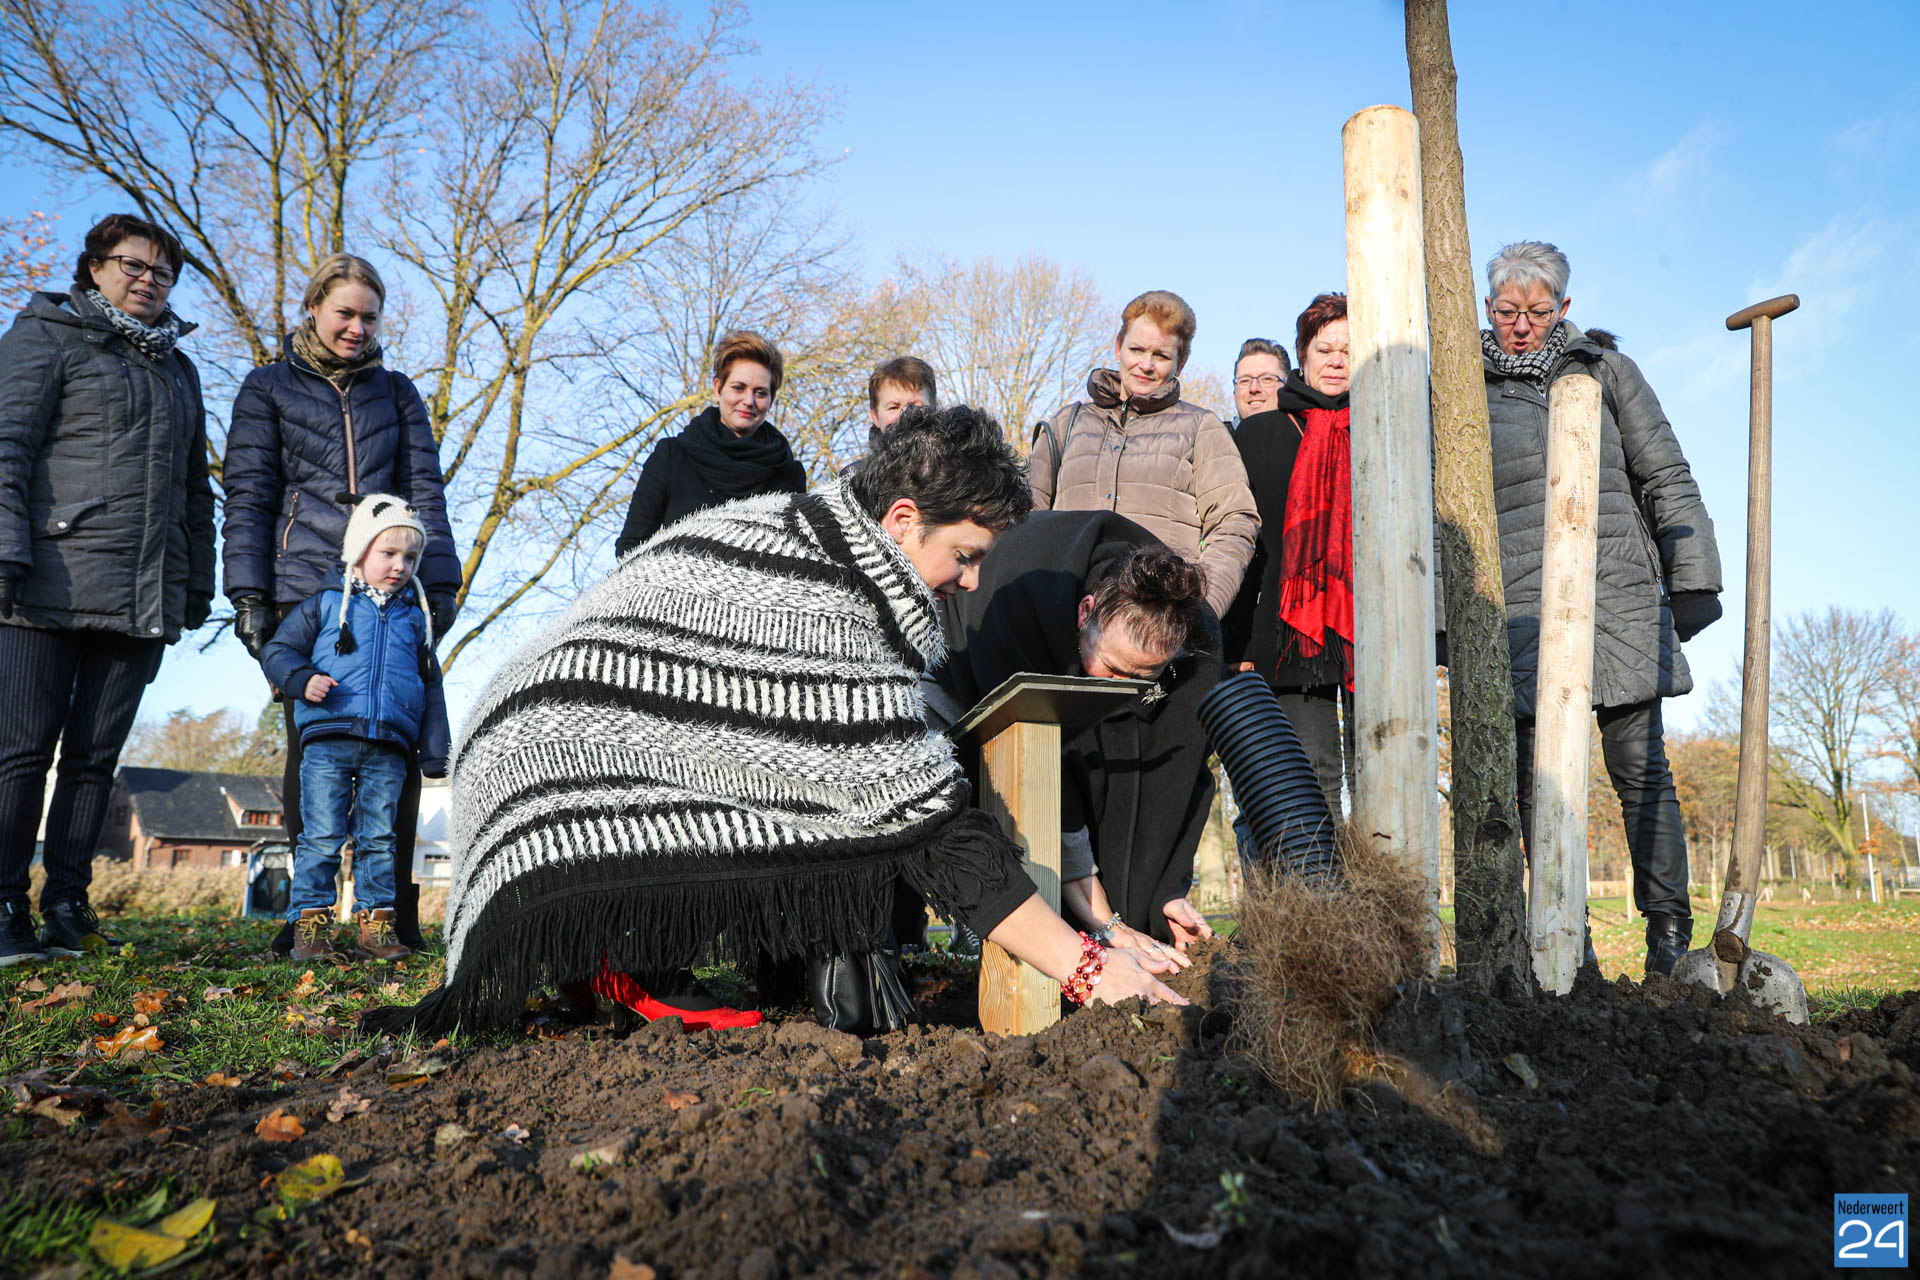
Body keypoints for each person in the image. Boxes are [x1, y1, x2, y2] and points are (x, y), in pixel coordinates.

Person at [364, 406, 1186, 1036]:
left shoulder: (832, 541)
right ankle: (615, 952)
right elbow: (928, 823)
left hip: (547, 726)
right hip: (544, 747)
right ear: (904, 520)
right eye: (965, 557)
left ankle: (609, 960)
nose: (971, 583)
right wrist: (1086, 967)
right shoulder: (822, 598)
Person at [1481, 241, 1722, 976]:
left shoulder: (1608, 370)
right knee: (1538, 781)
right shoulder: (1465, 389)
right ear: (1488, 308)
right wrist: (1448, 623)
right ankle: (1565, 939)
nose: (1522, 325)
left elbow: (1665, 472)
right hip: (1522, 605)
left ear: (1564, 308)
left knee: (1641, 770)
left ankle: (1669, 938)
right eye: (1507, 311)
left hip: (1616, 594)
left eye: (1537, 311)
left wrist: (1693, 580)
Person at [223, 253, 460, 954]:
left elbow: (426, 490)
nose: (357, 328)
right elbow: (250, 493)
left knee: (397, 745)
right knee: (314, 752)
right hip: (306, 582)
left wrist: (439, 581)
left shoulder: (397, 392)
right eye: (344, 313)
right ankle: (308, 916)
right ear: (314, 310)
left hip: (392, 586)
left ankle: (392, 913)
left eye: (370, 317)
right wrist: (249, 593)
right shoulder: (268, 387)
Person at [0, 213, 215, 965]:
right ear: (94, 266)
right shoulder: (46, 336)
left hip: (139, 595)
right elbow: (6, 445)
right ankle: (4, 906)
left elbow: (195, 491)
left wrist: (195, 582)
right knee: (21, 753)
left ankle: (67, 903)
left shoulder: (178, 370)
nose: (149, 281)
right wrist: (5, 547)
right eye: (134, 265)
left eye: (163, 272)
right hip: (44, 584)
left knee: (94, 759)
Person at [928, 511, 1220, 952]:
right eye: (1114, 669)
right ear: (1086, 612)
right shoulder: (1022, 597)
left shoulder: (1199, 640)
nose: (1123, 689)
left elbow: (1178, 775)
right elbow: (1041, 776)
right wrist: (1102, 922)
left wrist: (1167, 893)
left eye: (1142, 678)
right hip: (960, 662)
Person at [259, 495, 451, 962]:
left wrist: (435, 750)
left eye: (410, 557)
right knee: (322, 837)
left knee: (379, 840)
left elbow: (431, 684)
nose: (400, 566)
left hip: (387, 747)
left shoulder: (415, 619)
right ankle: (310, 928)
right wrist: (302, 680)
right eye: (389, 553)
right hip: (328, 741)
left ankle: (377, 929)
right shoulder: (326, 605)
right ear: (359, 551)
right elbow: (278, 650)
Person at [1027, 289, 1259, 620]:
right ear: (1118, 347)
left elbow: (1235, 521)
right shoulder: (1067, 423)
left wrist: (1201, 610)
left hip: (1155, 623)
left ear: (1180, 363)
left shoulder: (1201, 428)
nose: (1146, 365)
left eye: (1161, 356)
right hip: (1062, 615)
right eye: (1136, 349)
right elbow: (1025, 519)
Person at [1221, 298, 1357, 824]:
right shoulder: (1261, 433)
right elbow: (1244, 546)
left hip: (1371, 627)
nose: (1336, 360)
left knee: (1379, 764)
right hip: (1290, 631)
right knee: (1310, 775)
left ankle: (1382, 875)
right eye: (1324, 349)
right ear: (1303, 355)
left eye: (1348, 350)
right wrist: (1236, 644)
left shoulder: (1386, 425)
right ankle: (1317, 879)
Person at [614, 330, 807, 554]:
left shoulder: (788, 473)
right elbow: (631, 548)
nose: (748, 400)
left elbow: (796, 556)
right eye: (738, 388)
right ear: (718, 389)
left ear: (771, 399)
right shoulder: (671, 456)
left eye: (761, 392)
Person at [1229, 337, 1291, 425]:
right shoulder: (1215, 433)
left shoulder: (1307, 432)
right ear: (1235, 395)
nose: (1254, 388)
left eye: (1267, 379)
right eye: (1244, 381)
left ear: (1288, 390)